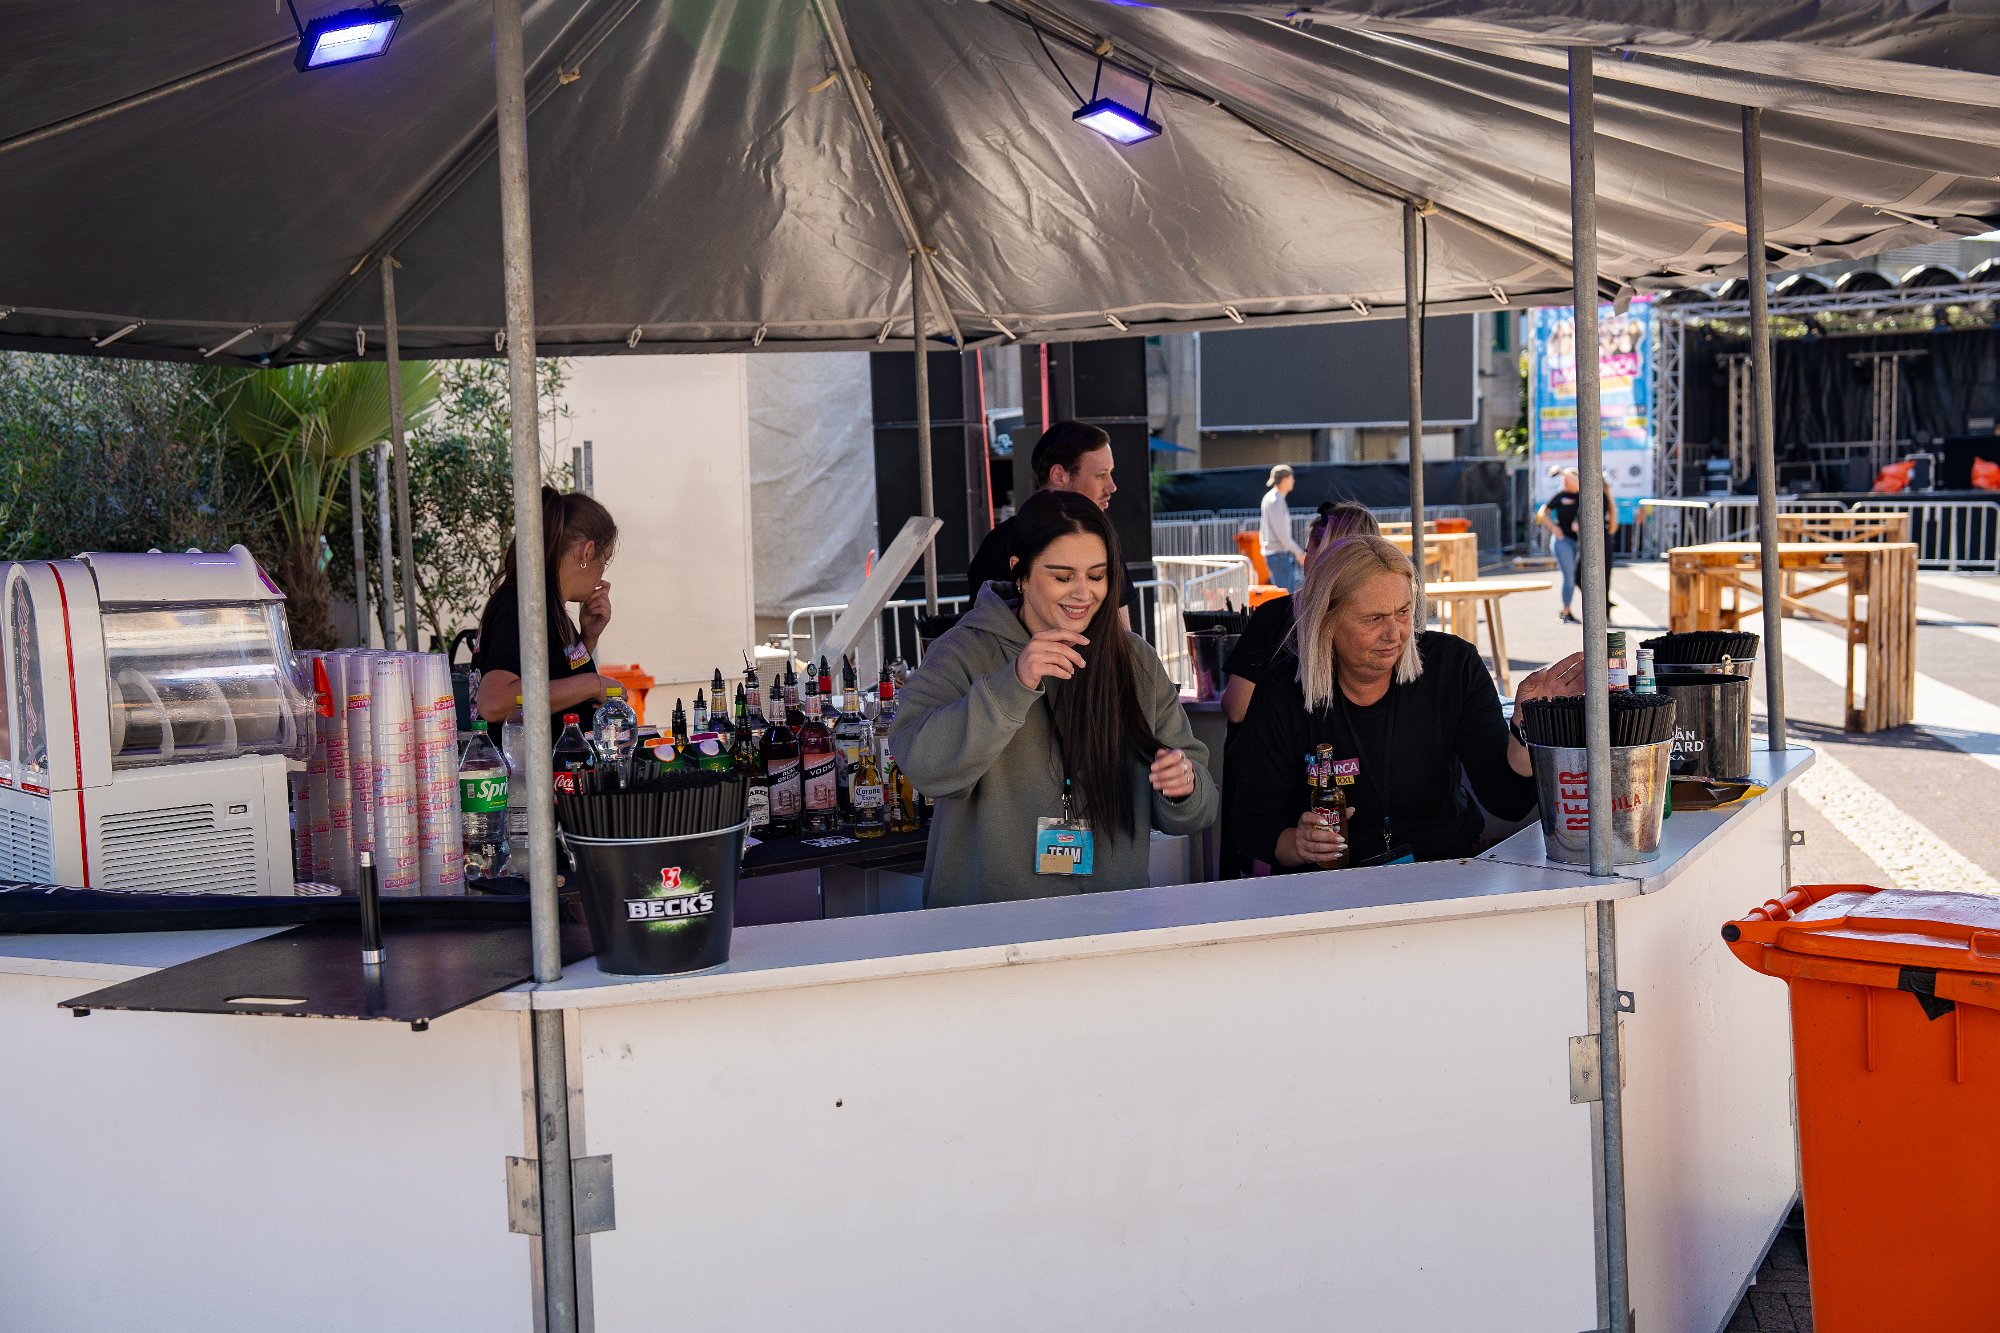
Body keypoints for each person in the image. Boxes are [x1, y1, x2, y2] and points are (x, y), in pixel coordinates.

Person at [891, 490, 1217, 906]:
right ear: (1021, 574)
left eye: (1097, 576)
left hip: (1109, 918)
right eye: (1063, 577)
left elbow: (1200, 807)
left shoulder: (1134, 660)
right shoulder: (962, 651)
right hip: (988, 922)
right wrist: (1014, 683)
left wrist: (1181, 787)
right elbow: (922, 766)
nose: (1083, 593)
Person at [1231, 536, 1582, 868]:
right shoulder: (1283, 691)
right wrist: (1299, 844)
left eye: (1403, 613)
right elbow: (1249, 824)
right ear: (1326, 620)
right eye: (1373, 619)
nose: (1394, 634)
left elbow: (1507, 801)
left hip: (1444, 871)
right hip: (1331, 886)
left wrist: (1527, 725)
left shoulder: (1452, 666)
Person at [1220, 501, 1380, 726]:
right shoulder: (1383, 621)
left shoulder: (1274, 616)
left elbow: (1236, 707)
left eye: (1307, 551)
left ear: (1322, 552)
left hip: (1277, 746)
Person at [473, 486, 618, 729]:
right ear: (587, 552)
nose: (603, 572)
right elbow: (494, 702)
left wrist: (588, 639)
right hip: (530, 756)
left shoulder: (546, 606)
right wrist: (595, 684)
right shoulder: (523, 607)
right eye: (605, 559)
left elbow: (553, 679)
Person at [965, 420, 1118, 596]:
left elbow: (1119, 610)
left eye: (1095, 576)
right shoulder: (1000, 547)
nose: (1112, 487)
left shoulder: (1104, 537)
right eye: (1101, 475)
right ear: (1059, 476)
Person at [1537, 467, 1618, 624]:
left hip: (1582, 542)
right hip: (1565, 541)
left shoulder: (1588, 494)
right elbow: (1543, 512)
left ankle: (1603, 607)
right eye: (1563, 479)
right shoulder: (1561, 495)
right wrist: (1553, 528)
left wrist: (1563, 471)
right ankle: (1567, 610)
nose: (1564, 481)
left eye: (1568, 478)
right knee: (1572, 576)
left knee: (1594, 576)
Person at [1259, 464, 1307, 592]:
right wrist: (1299, 553)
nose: (1293, 481)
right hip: (1278, 555)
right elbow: (1282, 534)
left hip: (1276, 554)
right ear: (1285, 479)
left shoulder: (1271, 498)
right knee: (1285, 595)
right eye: (1291, 478)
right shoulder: (1276, 501)